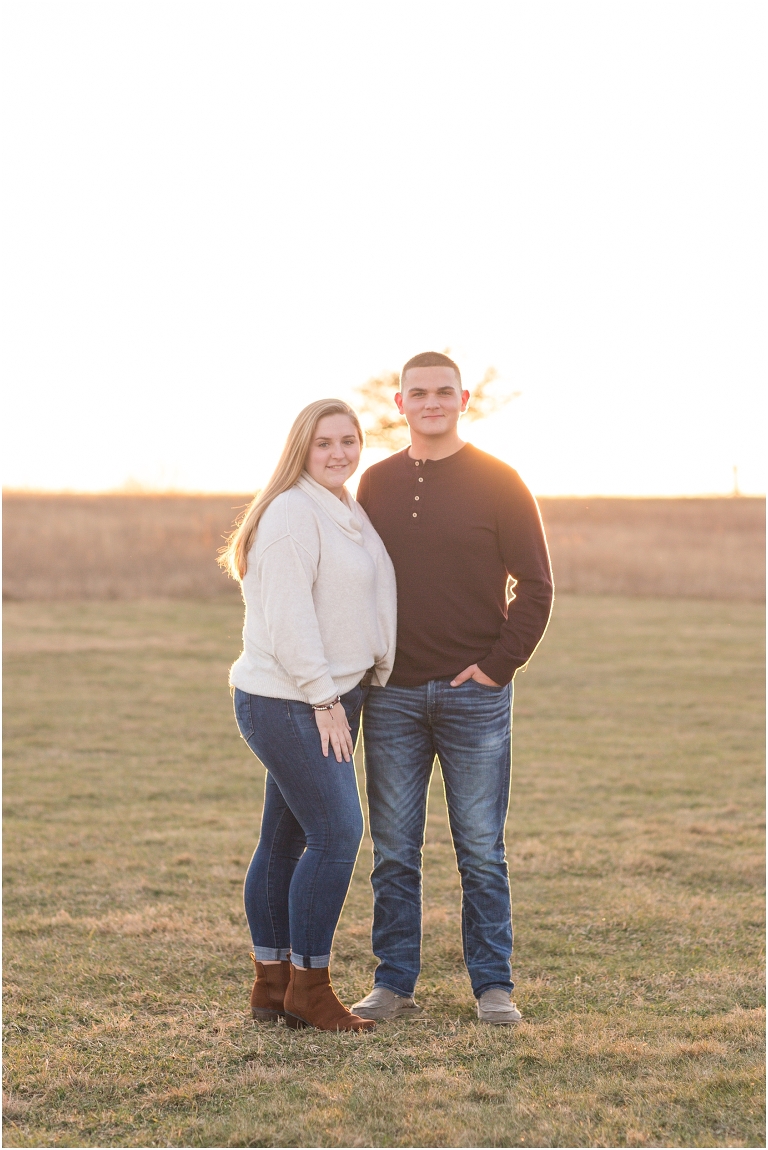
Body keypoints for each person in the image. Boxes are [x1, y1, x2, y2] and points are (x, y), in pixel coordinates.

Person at [351, 351, 553, 1026]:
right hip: (392, 698)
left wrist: (497, 668)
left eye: (443, 391)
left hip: (475, 698)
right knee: (394, 854)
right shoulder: (374, 483)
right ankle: (393, 984)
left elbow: (537, 587)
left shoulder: (501, 481)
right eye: (418, 393)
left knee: (480, 851)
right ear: (399, 402)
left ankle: (493, 987)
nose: (431, 401)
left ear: (463, 399)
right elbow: (353, 583)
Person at [219, 399, 397, 1032]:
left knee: (285, 839)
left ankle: (272, 985)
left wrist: (366, 674)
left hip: (324, 695)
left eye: (349, 440)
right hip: (291, 700)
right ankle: (309, 988)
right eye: (325, 443)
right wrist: (326, 700)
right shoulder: (294, 512)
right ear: (302, 448)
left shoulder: (344, 507)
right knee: (337, 832)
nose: (340, 452)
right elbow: (291, 621)